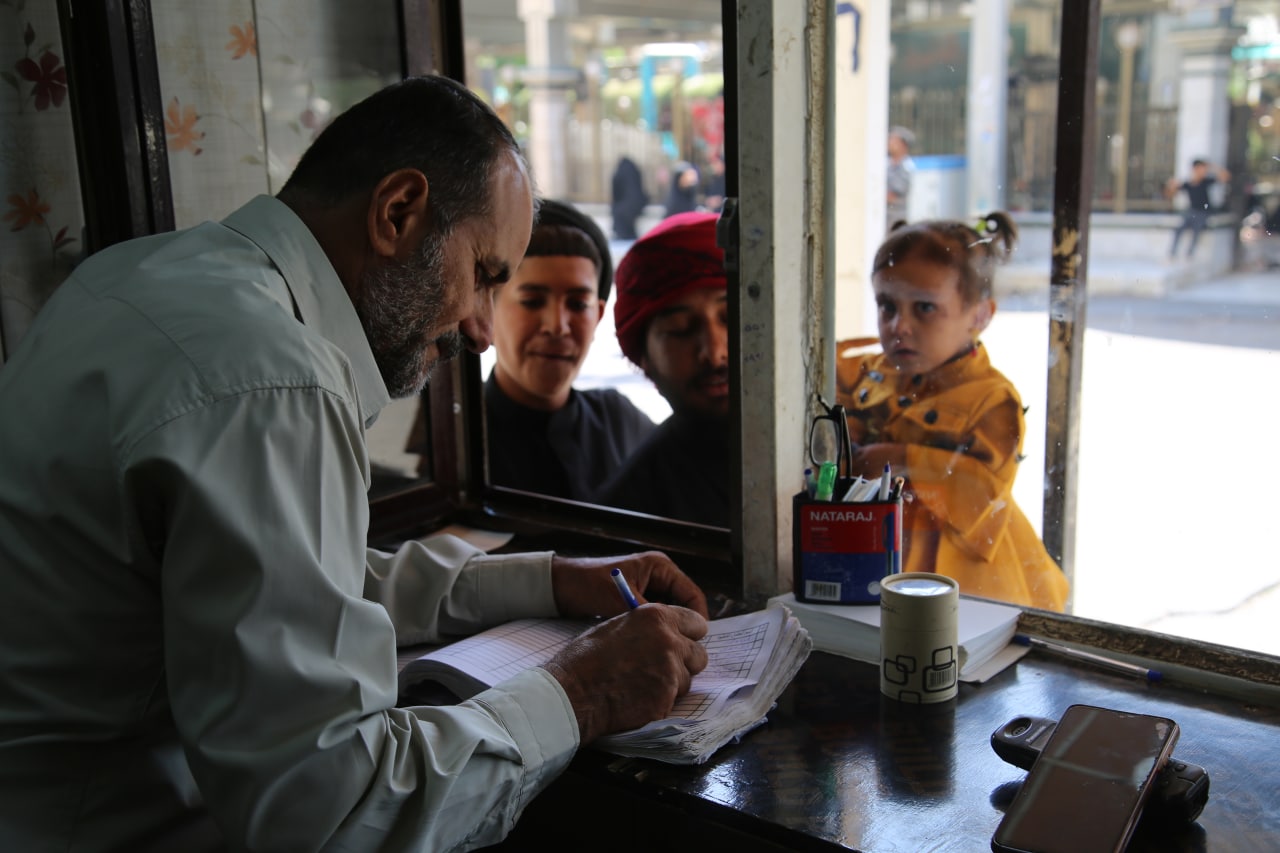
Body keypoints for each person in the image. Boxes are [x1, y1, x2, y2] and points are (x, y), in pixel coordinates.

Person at [0, 76, 711, 853]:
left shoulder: (139, 278)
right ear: (398, 212)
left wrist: (549, 578)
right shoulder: (270, 376)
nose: (480, 327)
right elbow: (332, 812)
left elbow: (289, 577)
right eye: (485, 274)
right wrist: (583, 690)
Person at [834, 213, 1068, 611]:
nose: (898, 326)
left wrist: (902, 460)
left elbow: (984, 492)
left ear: (980, 316)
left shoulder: (992, 399)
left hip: (963, 568)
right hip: (871, 546)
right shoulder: (865, 372)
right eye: (886, 305)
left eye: (924, 308)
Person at [486, 198, 655, 501]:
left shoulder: (620, 423)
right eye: (533, 302)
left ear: (598, 316)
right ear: (488, 310)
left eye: (577, 305)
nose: (558, 326)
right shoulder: (460, 442)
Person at [597, 211, 730, 528]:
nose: (713, 352)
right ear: (644, 358)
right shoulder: (627, 513)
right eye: (681, 328)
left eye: (730, 319)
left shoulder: (835, 453)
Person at [1165, 158, 1230, 260]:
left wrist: (1212, 167)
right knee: (1179, 229)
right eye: (1201, 168)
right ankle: (1172, 254)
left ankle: (1189, 255)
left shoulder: (1206, 181)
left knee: (1197, 229)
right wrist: (1171, 185)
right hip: (1192, 212)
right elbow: (1170, 194)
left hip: (1204, 212)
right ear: (1195, 169)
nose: (1203, 171)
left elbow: (1225, 177)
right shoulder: (1188, 184)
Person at [609, 155, 649, 240]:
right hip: (634, 207)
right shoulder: (634, 172)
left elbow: (615, 193)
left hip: (622, 210)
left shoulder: (619, 173)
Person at [886, 125, 916, 230]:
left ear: (903, 144)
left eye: (893, 140)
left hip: (895, 219)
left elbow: (894, 195)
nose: (889, 143)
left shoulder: (906, 167)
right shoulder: (887, 163)